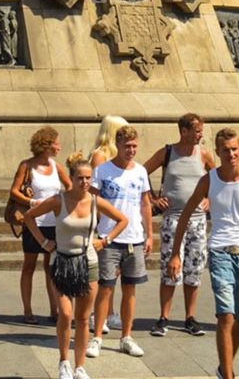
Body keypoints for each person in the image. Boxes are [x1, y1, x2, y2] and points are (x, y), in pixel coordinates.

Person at [168, 128, 239, 379]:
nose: (232, 154)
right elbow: (184, 216)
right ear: (218, 151)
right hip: (220, 251)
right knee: (226, 316)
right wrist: (175, 254)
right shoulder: (209, 180)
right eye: (226, 150)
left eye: (235, 149)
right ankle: (230, 376)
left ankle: (225, 368)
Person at [26, 155, 128, 379]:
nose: (84, 182)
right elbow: (29, 217)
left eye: (88, 178)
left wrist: (105, 240)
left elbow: (122, 220)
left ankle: (80, 366)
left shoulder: (94, 201)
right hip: (61, 260)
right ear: (71, 178)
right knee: (65, 312)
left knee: (83, 318)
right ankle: (64, 361)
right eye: (80, 178)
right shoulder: (58, 200)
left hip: (87, 261)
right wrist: (45, 243)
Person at [144, 112, 214, 338]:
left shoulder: (203, 154)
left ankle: (189, 317)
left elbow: (217, 179)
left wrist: (209, 199)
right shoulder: (167, 152)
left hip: (197, 220)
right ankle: (164, 316)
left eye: (201, 130)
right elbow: (142, 172)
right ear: (183, 131)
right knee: (170, 268)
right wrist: (153, 198)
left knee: (194, 269)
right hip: (172, 218)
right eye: (196, 131)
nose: (200, 135)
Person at [88, 124, 152, 359]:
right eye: (127, 146)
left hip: (134, 238)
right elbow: (92, 201)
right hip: (108, 237)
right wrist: (93, 232)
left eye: (135, 146)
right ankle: (97, 336)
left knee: (130, 289)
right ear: (117, 144)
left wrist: (149, 234)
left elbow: (145, 203)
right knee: (105, 288)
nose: (131, 150)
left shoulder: (141, 171)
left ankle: (126, 335)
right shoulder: (103, 170)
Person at [9, 125, 69, 324]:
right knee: (29, 265)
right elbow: (14, 191)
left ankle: (55, 310)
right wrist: (32, 203)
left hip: (54, 222)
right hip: (33, 222)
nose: (59, 147)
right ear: (46, 145)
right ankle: (27, 309)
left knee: (51, 267)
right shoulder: (27, 166)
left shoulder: (56, 166)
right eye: (56, 143)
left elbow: (70, 187)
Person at [89, 114, 127, 333]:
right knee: (104, 272)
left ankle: (110, 312)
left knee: (115, 271)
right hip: (103, 220)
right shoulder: (100, 156)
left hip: (118, 220)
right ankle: (97, 314)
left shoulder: (117, 157)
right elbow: (95, 191)